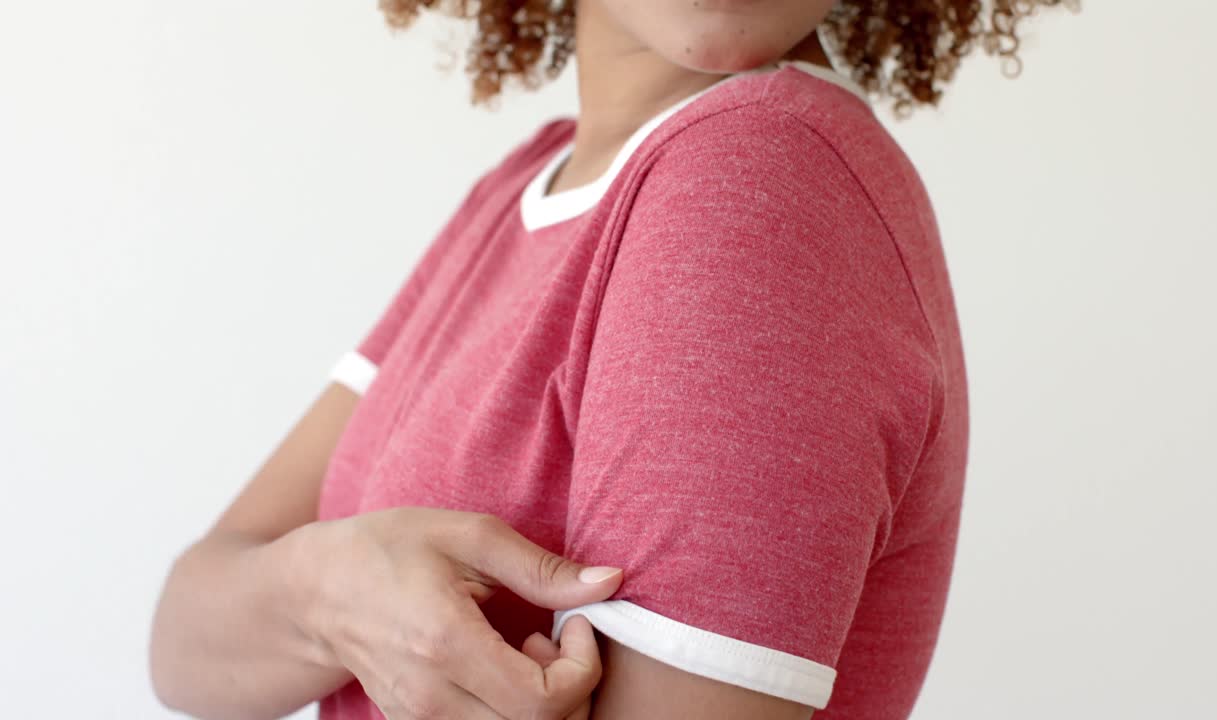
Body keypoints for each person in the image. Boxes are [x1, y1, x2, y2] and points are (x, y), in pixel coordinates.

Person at [150, 1, 1071, 718]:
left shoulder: (758, 174)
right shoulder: (526, 186)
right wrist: (331, 592)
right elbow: (186, 635)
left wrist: (311, 605)